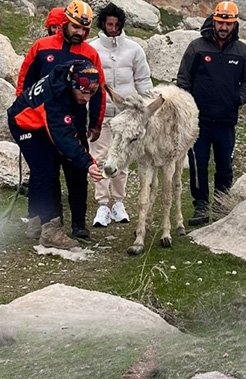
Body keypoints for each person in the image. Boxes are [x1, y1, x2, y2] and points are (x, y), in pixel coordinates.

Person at [16, 0, 106, 241]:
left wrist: (96, 122)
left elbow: (99, 89)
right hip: (41, 123)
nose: (80, 33)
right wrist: (26, 113)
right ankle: (52, 225)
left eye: (85, 30)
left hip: (74, 122)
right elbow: (25, 82)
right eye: (76, 27)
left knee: (77, 171)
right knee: (47, 174)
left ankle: (79, 225)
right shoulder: (41, 47)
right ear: (65, 23)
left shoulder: (90, 53)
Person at [8, 59, 105, 248]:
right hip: (23, 123)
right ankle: (50, 231)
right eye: (83, 92)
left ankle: (36, 221)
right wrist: (88, 162)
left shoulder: (73, 74)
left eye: (91, 93)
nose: (86, 98)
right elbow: (63, 137)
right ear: (73, 84)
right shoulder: (56, 97)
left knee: (43, 169)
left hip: (40, 122)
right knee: (45, 171)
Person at [176, 1, 246, 226]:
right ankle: (200, 207)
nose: (223, 27)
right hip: (198, 121)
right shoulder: (196, 47)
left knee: (225, 166)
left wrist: (238, 98)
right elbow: (183, 80)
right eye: (220, 21)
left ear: (235, 24)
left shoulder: (242, 51)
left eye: (228, 23)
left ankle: (221, 205)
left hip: (226, 120)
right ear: (214, 20)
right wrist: (188, 107)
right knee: (198, 164)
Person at [88, 2, 151, 228]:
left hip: (126, 116)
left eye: (116, 24)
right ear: (102, 24)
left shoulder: (134, 49)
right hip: (100, 114)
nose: (112, 28)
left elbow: (143, 80)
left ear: (121, 24)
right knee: (100, 158)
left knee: (122, 160)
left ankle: (118, 202)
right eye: (108, 24)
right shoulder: (91, 47)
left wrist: (147, 106)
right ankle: (103, 205)